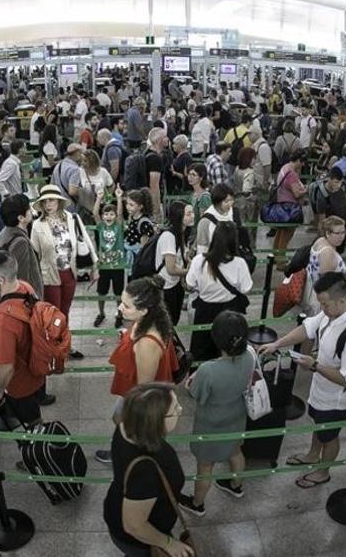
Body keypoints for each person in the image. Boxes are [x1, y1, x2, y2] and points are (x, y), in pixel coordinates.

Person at [258, 272, 346, 488]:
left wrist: (315, 365)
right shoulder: (330, 313)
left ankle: (323, 472)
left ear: (341, 300)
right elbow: (307, 328)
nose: (322, 308)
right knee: (319, 426)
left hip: (336, 399)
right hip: (320, 389)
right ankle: (311, 455)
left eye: (325, 304)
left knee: (329, 436)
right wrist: (277, 344)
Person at [102, 382, 194, 557]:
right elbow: (135, 525)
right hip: (137, 529)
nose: (181, 410)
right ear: (155, 422)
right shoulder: (146, 469)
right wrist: (169, 544)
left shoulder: (126, 426)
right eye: (175, 409)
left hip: (118, 512)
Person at [96, 277, 181, 465]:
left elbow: (144, 389)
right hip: (130, 390)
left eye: (126, 306)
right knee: (117, 418)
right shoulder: (149, 320)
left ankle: (126, 453)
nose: (119, 308)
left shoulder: (147, 343)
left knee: (127, 425)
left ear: (143, 310)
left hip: (136, 396)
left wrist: (133, 415)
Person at [178, 311, 253, 515]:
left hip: (210, 424)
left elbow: (195, 393)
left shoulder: (208, 369)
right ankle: (236, 486)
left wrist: (190, 383)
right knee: (236, 452)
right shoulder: (249, 356)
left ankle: (197, 504)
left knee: (205, 466)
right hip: (237, 416)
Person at [0, 251, 47, 428]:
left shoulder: (3, 318)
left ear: (1, 280)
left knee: (31, 422)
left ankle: (36, 451)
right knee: (34, 413)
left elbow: (7, 367)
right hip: (36, 370)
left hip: (19, 384)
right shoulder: (25, 287)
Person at [31, 185, 96, 351]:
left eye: (51, 200)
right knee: (54, 312)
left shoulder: (72, 218)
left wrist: (95, 265)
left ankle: (65, 343)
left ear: (59, 201)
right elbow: (35, 253)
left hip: (70, 272)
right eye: (45, 201)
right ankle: (55, 345)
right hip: (48, 275)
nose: (48, 204)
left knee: (65, 311)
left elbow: (86, 240)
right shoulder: (37, 225)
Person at [186, 222, 253, 361]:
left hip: (204, 310)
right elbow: (246, 288)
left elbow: (190, 284)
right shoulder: (239, 263)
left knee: (201, 349)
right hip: (229, 311)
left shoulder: (200, 260)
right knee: (227, 349)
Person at [0, 193, 44, 298]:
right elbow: (22, 277)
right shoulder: (20, 242)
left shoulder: (4, 233)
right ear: (21, 218)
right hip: (26, 300)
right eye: (28, 209)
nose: (31, 211)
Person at [155, 201, 192, 325]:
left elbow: (183, 253)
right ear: (179, 216)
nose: (192, 216)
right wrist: (189, 271)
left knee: (174, 319)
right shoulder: (169, 236)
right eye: (188, 214)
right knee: (168, 321)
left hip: (175, 283)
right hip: (167, 286)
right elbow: (171, 268)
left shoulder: (181, 232)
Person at [94, 203, 126, 328]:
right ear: (102, 216)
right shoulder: (101, 226)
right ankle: (101, 313)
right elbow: (95, 213)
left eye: (112, 214)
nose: (109, 216)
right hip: (104, 266)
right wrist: (98, 198)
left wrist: (118, 198)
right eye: (106, 214)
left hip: (118, 266)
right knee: (101, 292)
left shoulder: (118, 226)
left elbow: (120, 214)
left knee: (118, 293)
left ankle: (119, 315)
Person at [194, 183, 235, 256]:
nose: (230, 204)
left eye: (231, 200)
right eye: (226, 201)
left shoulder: (234, 214)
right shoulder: (205, 221)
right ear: (217, 202)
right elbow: (202, 250)